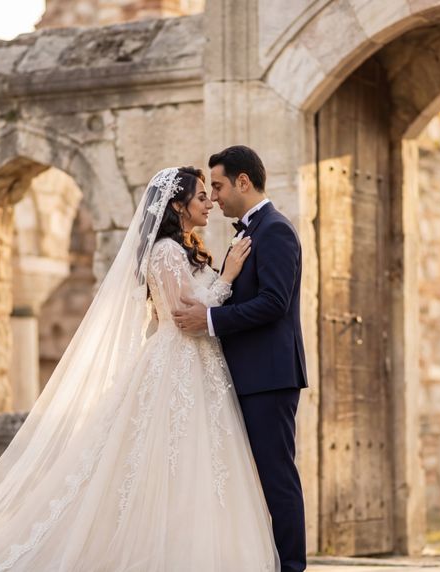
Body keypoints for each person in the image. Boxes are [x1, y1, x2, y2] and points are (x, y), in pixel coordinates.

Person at [0, 166, 278, 571]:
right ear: (178, 206)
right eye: (202, 196)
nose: (208, 203)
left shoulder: (186, 249)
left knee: (195, 466)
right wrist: (229, 275)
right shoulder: (165, 251)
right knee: (165, 463)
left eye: (209, 194)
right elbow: (186, 315)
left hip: (198, 369)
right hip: (175, 364)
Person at [174, 146, 308, 572]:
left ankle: (292, 567)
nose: (213, 197)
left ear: (243, 181)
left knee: (276, 478)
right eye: (207, 190)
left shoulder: (275, 230)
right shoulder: (247, 231)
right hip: (246, 376)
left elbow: (274, 302)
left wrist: (210, 319)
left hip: (269, 378)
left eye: (217, 186)